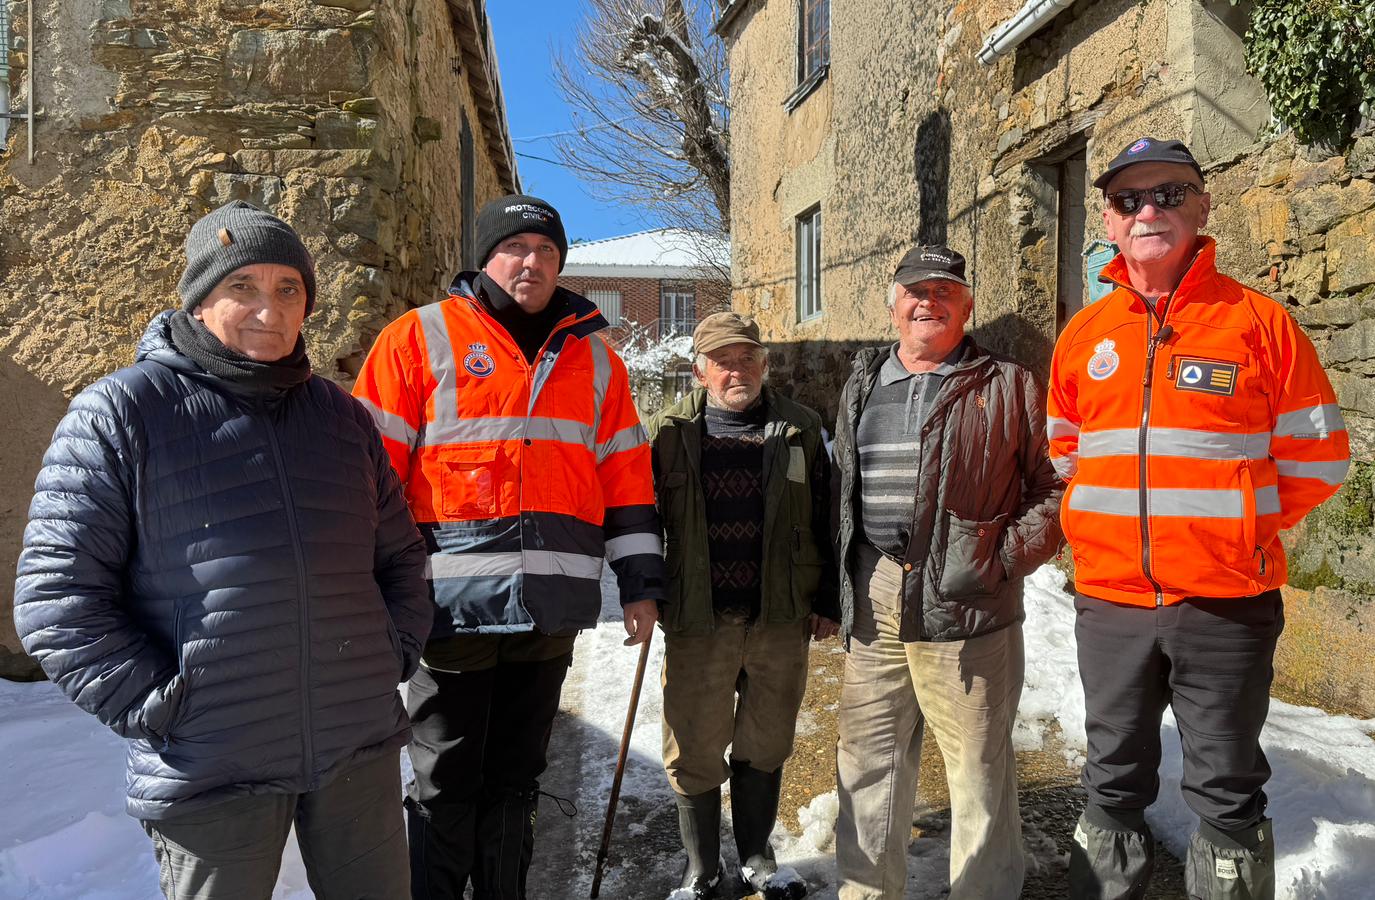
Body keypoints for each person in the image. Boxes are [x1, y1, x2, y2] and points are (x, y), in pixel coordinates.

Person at [13, 200, 431, 899]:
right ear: (200, 300)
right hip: (211, 767)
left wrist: (390, 653)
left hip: (355, 750)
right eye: (243, 287)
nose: (268, 309)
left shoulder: (343, 420)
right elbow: (57, 601)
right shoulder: (122, 413)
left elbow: (401, 560)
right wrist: (161, 704)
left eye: (288, 289)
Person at [1047, 137, 1350, 899]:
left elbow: (1319, 461)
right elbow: (1064, 449)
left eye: (1170, 194)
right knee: (1111, 780)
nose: (1150, 211)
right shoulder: (1084, 336)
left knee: (1227, 786)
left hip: (1225, 604)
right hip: (1111, 603)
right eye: (1129, 200)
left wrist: (1235, 532)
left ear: (1203, 206)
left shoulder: (1259, 324)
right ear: (1109, 223)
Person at [352, 194, 666, 900]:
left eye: (548, 252)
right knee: (447, 778)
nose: (532, 263)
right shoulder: (416, 339)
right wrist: (369, 590)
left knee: (519, 778)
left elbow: (625, 474)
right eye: (515, 248)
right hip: (448, 611)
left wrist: (642, 583)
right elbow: (366, 480)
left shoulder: (597, 361)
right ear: (486, 257)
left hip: (550, 610)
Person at [831, 245, 1063, 900]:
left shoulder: (1008, 383)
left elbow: (1055, 487)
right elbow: (842, 488)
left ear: (966, 306)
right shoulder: (863, 379)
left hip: (967, 600)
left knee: (978, 773)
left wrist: (1001, 558)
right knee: (866, 766)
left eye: (943, 292)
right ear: (893, 303)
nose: (926, 302)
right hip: (875, 592)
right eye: (914, 291)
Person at [649, 312, 839, 899]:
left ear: (763, 364)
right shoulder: (666, 433)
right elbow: (636, 518)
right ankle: (701, 867)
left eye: (747, 357)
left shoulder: (802, 428)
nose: (738, 369)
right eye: (723, 360)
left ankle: (756, 854)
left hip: (779, 614)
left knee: (766, 737)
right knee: (695, 743)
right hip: (698, 616)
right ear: (701, 370)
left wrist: (829, 597)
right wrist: (642, 587)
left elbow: (829, 517)